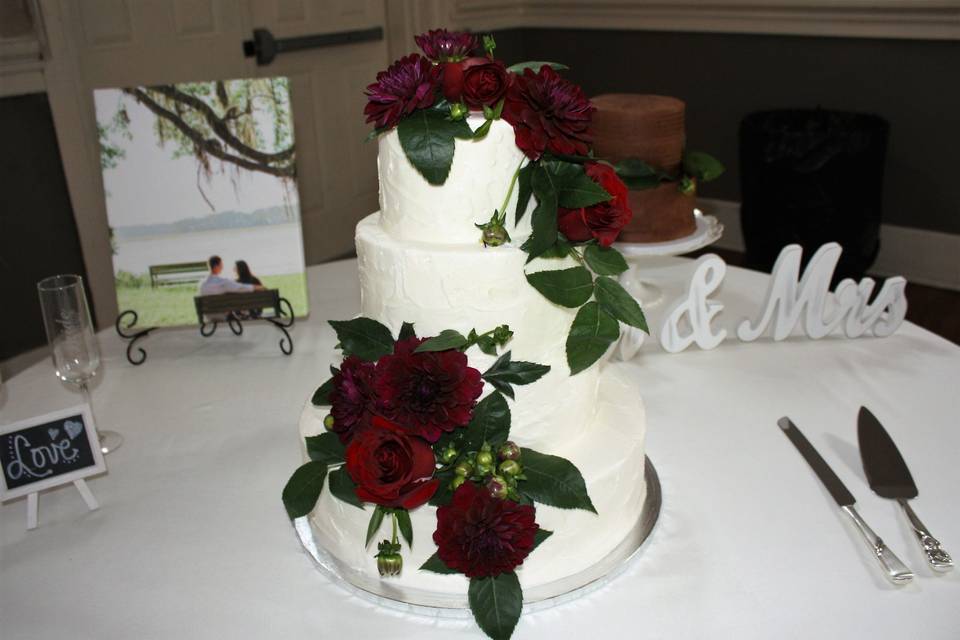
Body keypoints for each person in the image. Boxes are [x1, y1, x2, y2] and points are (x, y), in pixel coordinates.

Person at [198, 255, 263, 295]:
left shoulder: (201, 284)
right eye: (221, 265)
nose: (222, 267)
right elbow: (241, 287)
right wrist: (259, 287)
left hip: (207, 316)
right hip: (222, 315)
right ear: (216, 266)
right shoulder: (223, 282)